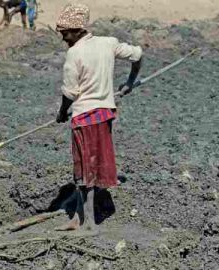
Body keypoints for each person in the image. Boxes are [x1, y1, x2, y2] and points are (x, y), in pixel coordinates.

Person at [54, 3, 142, 231]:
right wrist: (129, 82)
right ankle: (78, 217)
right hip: (104, 116)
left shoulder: (74, 53)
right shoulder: (108, 43)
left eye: (65, 34)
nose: (64, 39)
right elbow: (138, 55)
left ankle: (89, 223)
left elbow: (70, 93)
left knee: (84, 171)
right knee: (90, 167)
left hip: (83, 118)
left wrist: (62, 113)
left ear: (77, 30)